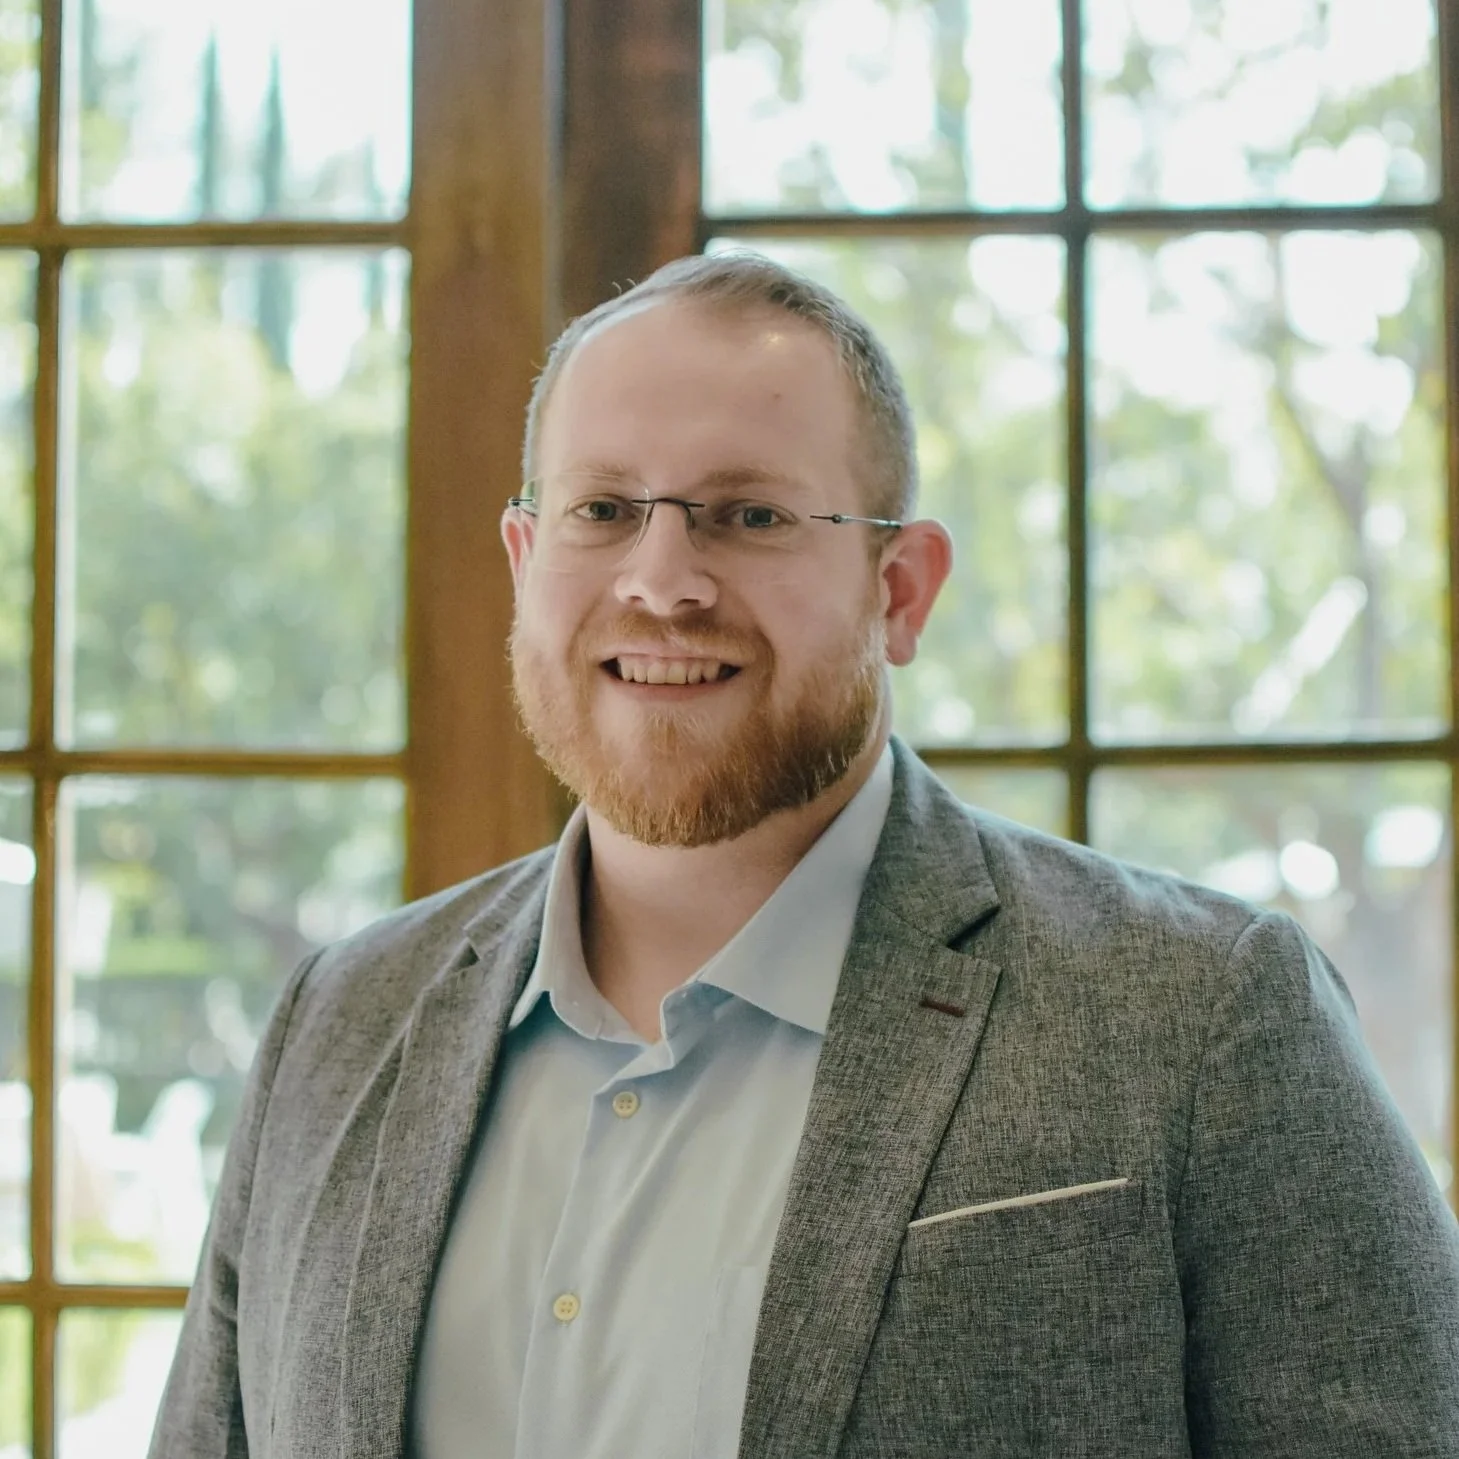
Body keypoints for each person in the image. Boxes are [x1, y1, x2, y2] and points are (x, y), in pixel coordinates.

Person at [149, 252, 1459, 1459]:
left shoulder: (1206, 1016)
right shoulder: (338, 1020)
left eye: (748, 517)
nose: (660, 580)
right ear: (524, 558)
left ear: (900, 591)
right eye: (601, 507)